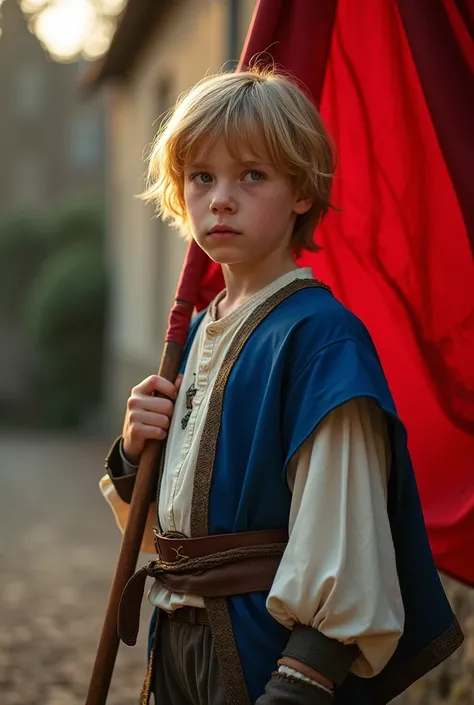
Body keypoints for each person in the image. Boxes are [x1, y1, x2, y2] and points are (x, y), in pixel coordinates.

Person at [100, 68, 463, 705]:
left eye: (252, 175)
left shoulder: (321, 340)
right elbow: (178, 531)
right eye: (202, 177)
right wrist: (135, 453)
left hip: (262, 655)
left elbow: (344, 539)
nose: (221, 199)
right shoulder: (200, 333)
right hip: (179, 643)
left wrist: (298, 686)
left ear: (301, 191)